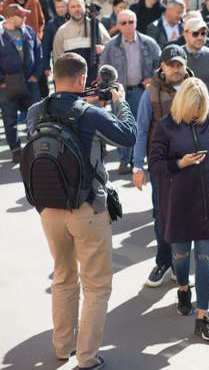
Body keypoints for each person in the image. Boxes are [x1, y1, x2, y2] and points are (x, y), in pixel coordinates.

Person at [26, 52, 136, 370]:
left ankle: (62, 347)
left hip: (48, 208)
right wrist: (120, 102)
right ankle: (87, 358)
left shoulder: (36, 110)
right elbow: (128, 135)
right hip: (87, 209)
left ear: (53, 75)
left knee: (63, 277)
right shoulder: (89, 114)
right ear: (82, 79)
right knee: (96, 286)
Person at [149, 77, 209, 343]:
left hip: (207, 205)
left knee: (206, 260)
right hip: (177, 205)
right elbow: (155, 164)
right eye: (194, 109)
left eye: (201, 109)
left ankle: (203, 316)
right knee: (180, 257)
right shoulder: (166, 127)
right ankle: (183, 287)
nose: (197, 114)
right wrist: (180, 163)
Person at [132, 45, 195, 287]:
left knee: (187, 216)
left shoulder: (195, 88)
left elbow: (208, 122)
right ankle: (163, 261)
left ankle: (180, 266)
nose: (176, 69)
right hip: (161, 166)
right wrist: (138, 166)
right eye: (171, 65)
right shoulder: (150, 92)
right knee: (162, 215)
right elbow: (141, 130)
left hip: (191, 164)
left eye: (180, 64)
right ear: (162, 66)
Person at [100, 9, 161, 174]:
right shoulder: (111, 46)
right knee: (120, 126)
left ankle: (136, 160)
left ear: (136, 23)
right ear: (118, 25)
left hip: (141, 90)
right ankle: (124, 160)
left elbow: (160, 64)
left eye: (131, 22)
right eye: (123, 23)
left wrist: (152, 78)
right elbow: (103, 69)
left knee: (141, 125)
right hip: (119, 92)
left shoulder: (148, 42)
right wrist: (106, 89)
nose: (128, 25)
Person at [0, 4, 43, 163]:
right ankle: (16, 150)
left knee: (35, 115)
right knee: (9, 119)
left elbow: (38, 53)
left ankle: (34, 147)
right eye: (22, 16)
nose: (25, 18)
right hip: (7, 84)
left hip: (29, 81)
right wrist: (1, 81)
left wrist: (36, 75)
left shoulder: (29, 31)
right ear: (12, 17)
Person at [52, 0, 111, 85]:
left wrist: (103, 48)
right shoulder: (62, 31)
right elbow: (57, 59)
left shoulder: (96, 26)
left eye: (79, 6)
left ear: (84, 7)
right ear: (68, 9)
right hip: (71, 81)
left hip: (95, 79)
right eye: (73, 7)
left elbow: (110, 47)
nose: (76, 9)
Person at [182, 18, 209, 116]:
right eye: (195, 34)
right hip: (183, 114)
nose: (200, 37)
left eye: (203, 34)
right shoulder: (178, 57)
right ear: (185, 34)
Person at [42, 0, 69, 84]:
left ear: (67, 6)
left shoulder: (74, 21)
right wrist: (46, 67)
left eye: (62, 6)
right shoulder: (50, 25)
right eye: (58, 7)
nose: (60, 9)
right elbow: (46, 47)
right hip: (59, 61)